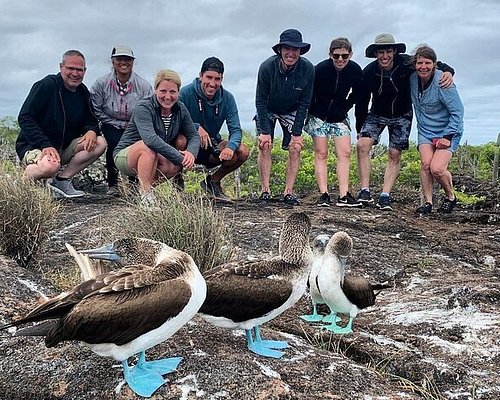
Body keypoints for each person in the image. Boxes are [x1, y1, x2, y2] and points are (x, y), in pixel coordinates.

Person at [356, 34, 454, 211]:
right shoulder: (369, 72)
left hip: (402, 114)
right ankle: (364, 190)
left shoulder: (407, 63)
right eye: (381, 52)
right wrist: (359, 127)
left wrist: (449, 71)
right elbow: (362, 101)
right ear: (376, 54)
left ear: (394, 51)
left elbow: (432, 63)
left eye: (388, 51)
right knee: (362, 145)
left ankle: (385, 195)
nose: (385, 56)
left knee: (394, 154)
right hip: (377, 113)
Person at [16, 49, 107, 198]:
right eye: (70, 68)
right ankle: (25, 182)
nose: (75, 73)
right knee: (50, 166)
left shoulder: (83, 92)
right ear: (61, 67)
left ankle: (61, 181)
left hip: (62, 148)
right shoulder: (47, 85)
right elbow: (25, 117)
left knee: (99, 142)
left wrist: (91, 130)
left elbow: (90, 120)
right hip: (34, 147)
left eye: (79, 70)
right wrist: (44, 144)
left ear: (85, 71)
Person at [113, 70, 200, 205]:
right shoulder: (144, 106)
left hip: (155, 156)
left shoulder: (180, 109)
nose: (167, 96)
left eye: (172, 92)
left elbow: (193, 135)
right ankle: (146, 195)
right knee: (148, 148)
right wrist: (181, 159)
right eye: (163, 91)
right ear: (155, 90)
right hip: (127, 155)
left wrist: (191, 154)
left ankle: (141, 189)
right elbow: (150, 139)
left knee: (173, 166)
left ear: (178, 92)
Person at [255, 29, 315, 206]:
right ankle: (265, 190)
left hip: (293, 109)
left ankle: (288, 192)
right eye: (287, 48)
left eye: (295, 49)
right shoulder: (267, 67)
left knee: (295, 147)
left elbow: (305, 103)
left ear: (300, 51)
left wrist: (297, 133)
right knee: (264, 145)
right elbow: (260, 100)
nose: (291, 53)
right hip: (269, 107)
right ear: (280, 50)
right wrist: (265, 132)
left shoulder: (308, 69)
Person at [179, 57, 249, 202]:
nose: (212, 83)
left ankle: (212, 182)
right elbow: (173, 121)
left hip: (211, 146)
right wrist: (195, 128)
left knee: (242, 151)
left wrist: (230, 147)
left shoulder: (228, 98)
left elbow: (236, 130)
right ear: (200, 76)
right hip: (188, 147)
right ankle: (177, 184)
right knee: (179, 140)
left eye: (217, 79)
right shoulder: (185, 94)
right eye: (208, 77)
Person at [305, 37, 363, 208]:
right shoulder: (320, 69)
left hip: (339, 115)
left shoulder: (354, 70)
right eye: (336, 56)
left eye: (344, 56)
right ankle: (324, 194)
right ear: (330, 54)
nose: (340, 60)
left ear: (350, 54)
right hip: (318, 115)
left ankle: (344, 195)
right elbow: (309, 92)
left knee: (344, 153)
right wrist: (313, 109)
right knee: (321, 153)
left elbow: (358, 95)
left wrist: (345, 106)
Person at [91, 45, 153, 196]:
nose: (123, 62)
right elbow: (96, 110)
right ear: (113, 61)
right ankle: (113, 184)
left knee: (137, 146)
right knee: (114, 142)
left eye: (127, 59)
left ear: (133, 62)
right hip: (109, 122)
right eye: (120, 59)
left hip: (135, 124)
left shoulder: (143, 86)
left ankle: (134, 184)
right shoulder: (101, 84)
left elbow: (149, 110)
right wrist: (118, 124)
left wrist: (132, 125)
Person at [410, 45, 464, 214]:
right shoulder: (412, 79)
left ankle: (450, 196)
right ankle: (428, 202)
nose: (423, 67)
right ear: (415, 64)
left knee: (437, 169)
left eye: (427, 62)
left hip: (448, 130)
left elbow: (458, 111)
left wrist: (447, 136)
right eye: (419, 62)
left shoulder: (443, 81)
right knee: (426, 164)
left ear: (434, 64)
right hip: (425, 130)